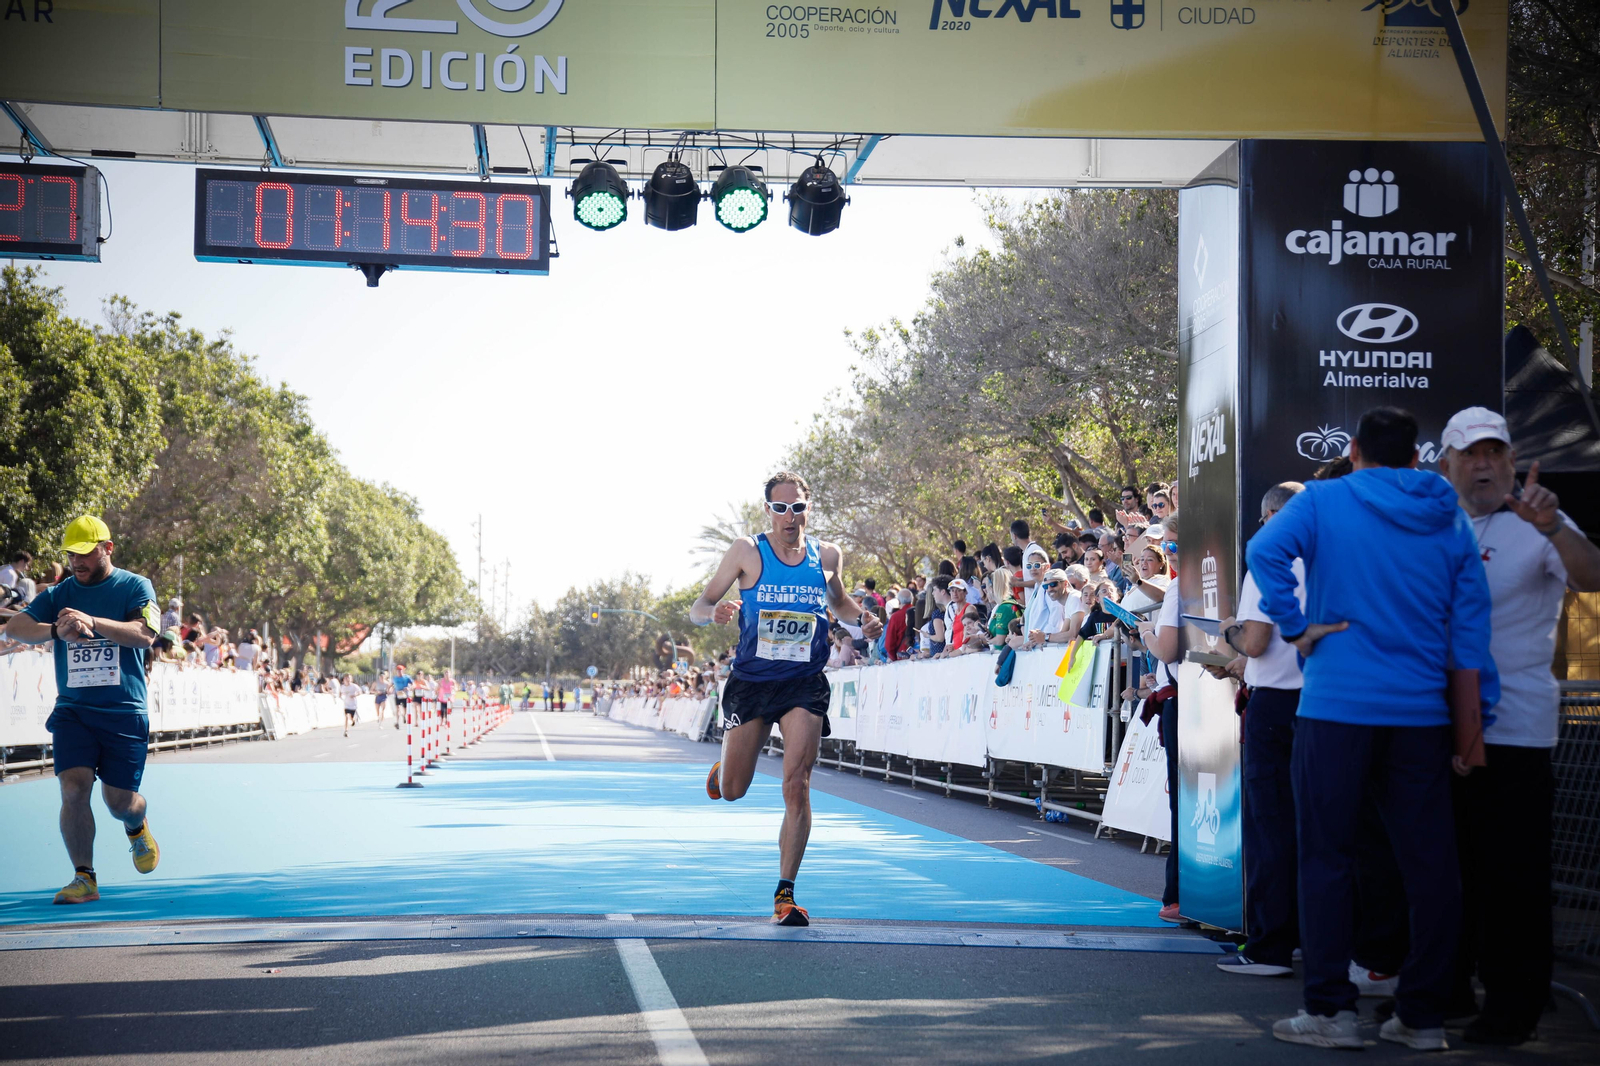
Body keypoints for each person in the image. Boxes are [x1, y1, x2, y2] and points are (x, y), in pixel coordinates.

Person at [1248, 407, 1495, 1052]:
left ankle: (1331, 1011)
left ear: (1354, 449)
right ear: (1415, 457)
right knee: (1430, 866)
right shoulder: (1446, 510)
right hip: (1421, 713)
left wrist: (1295, 626)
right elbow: (1472, 618)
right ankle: (1423, 1017)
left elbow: (1264, 550)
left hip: (1336, 708)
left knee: (1326, 857)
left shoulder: (1323, 500)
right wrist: (1478, 718)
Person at [1437, 406, 1600, 1046]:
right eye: (1470, 455)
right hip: (1433, 726)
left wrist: (1553, 526)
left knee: (1512, 877)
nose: (1484, 465)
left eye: (1494, 453)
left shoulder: (1539, 524)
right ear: (1446, 464)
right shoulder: (1432, 523)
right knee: (1444, 871)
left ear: (1511, 461)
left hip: (1515, 730)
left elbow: (1593, 578)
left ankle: (1512, 1009)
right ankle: (1446, 992)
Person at [691, 471, 882, 926]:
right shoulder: (746, 551)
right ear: (768, 511)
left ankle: (785, 894)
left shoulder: (827, 555)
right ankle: (725, 768)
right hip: (753, 681)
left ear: (808, 508)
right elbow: (699, 606)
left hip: (804, 681)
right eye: (781, 508)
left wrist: (862, 620)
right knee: (733, 790)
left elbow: (840, 603)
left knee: (798, 783)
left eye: (797, 507)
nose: (790, 516)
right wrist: (713, 613)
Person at [2, 516, 161, 905]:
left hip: (123, 711)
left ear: (107, 548)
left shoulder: (136, 586)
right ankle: (84, 877)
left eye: (85, 553)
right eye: (71, 555)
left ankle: (136, 824)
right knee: (73, 787)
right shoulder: (60, 593)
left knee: (119, 803)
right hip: (74, 710)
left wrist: (93, 622)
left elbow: (145, 635)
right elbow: (16, 627)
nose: (77, 561)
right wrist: (55, 631)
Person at [1212, 481, 1307, 979]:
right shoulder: (1332, 557)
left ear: (1271, 517)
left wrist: (1229, 629)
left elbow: (1255, 641)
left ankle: (1270, 946)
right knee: (1320, 829)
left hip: (1275, 709)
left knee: (1271, 828)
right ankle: (1310, 937)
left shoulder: (1269, 558)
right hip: (1322, 704)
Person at [884, 587, 914, 661]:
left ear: (899, 601)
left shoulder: (895, 616)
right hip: (919, 653)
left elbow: (889, 643)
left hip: (902, 655)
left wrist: (893, 657)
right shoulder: (918, 612)